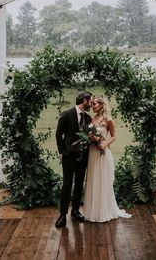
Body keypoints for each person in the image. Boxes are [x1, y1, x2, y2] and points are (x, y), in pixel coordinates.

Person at [83, 95, 132, 222]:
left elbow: (114, 136)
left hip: (103, 153)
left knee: (103, 181)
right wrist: (90, 138)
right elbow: (89, 134)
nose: (92, 106)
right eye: (92, 103)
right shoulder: (92, 119)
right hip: (93, 153)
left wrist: (105, 143)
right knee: (93, 179)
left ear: (101, 105)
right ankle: (92, 212)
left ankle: (104, 211)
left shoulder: (108, 120)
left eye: (94, 104)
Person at [55, 90, 93, 228]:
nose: (91, 104)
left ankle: (75, 211)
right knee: (67, 184)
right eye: (90, 101)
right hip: (69, 156)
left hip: (83, 156)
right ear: (84, 101)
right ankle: (62, 214)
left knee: (78, 184)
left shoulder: (88, 118)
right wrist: (62, 151)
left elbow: (88, 136)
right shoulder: (66, 114)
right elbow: (59, 134)